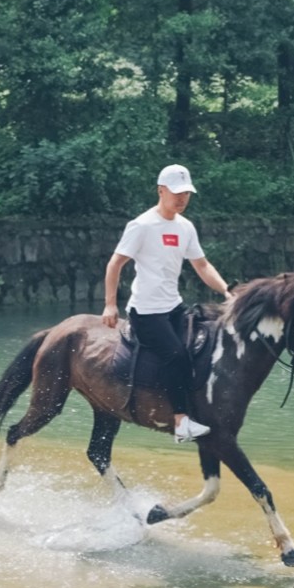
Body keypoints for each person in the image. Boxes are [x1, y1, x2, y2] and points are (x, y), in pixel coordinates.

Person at [102, 163, 231, 442]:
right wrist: (110, 304)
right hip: (146, 312)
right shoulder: (142, 225)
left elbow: (202, 265)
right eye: (177, 192)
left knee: (204, 343)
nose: (182, 198)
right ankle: (181, 422)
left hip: (173, 307)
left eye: (187, 193)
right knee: (175, 354)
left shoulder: (186, 227)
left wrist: (227, 290)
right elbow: (115, 264)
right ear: (161, 191)